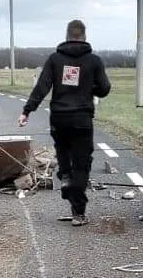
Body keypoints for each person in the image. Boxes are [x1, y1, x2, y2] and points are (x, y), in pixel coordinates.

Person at [18, 19, 111, 225]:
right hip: (82, 119)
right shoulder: (94, 61)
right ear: (84, 36)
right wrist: (88, 87)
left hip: (59, 118)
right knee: (82, 163)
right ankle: (78, 212)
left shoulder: (55, 59)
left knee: (63, 154)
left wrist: (27, 111)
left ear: (67, 35)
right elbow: (104, 89)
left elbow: (42, 87)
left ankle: (65, 176)